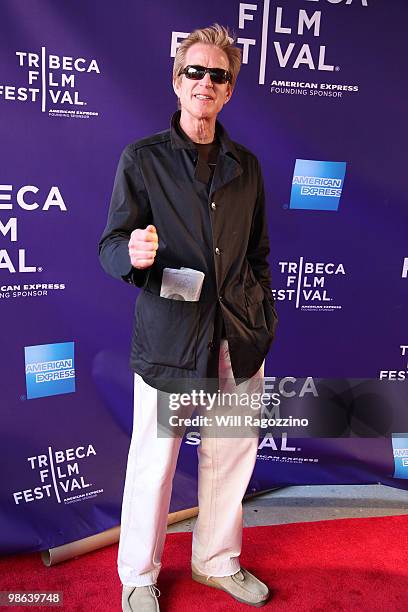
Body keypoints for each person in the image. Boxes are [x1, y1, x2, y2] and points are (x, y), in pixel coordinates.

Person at [99, 23, 278, 612]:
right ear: (177, 82)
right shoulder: (143, 160)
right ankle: (139, 576)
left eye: (218, 75)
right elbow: (110, 244)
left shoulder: (246, 167)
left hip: (237, 337)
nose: (205, 83)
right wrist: (131, 254)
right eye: (194, 72)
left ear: (229, 92)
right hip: (173, 341)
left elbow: (257, 254)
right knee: (154, 464)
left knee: (229, 455)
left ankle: (216, 561)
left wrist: (260, 319)